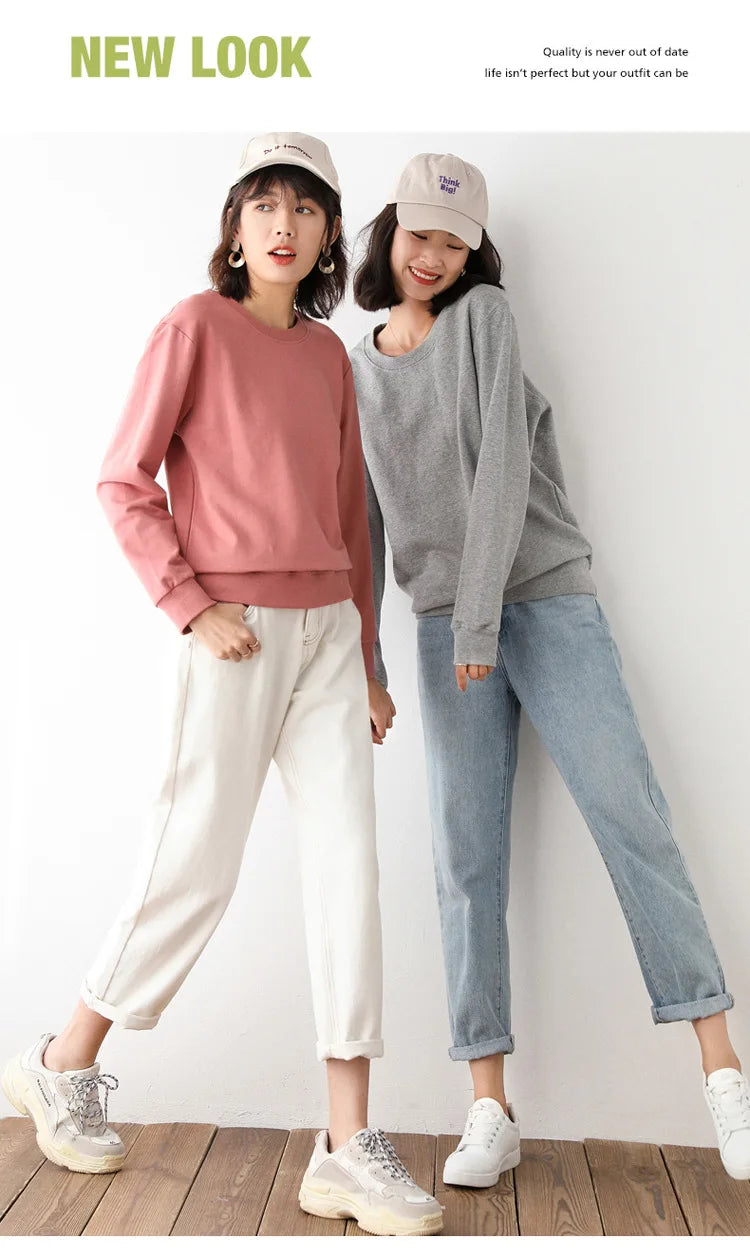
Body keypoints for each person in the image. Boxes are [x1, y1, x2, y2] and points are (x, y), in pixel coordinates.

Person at [1, 133, 443, 1238]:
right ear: (236, 228)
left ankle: (346, 1146)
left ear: (332, 233)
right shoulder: (193, 328)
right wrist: (193, 603)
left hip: (330, 642)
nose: (284, 225)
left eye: (305, 208)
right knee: (194, 861)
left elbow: (350, 518)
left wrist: (371, 658)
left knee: (350, 873)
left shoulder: (327, 358)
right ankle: (64, 1058)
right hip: (231, 635)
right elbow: (121, 477)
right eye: (263, 205)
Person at [349, 151, 750, 1187]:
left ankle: (723, 1075)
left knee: (632, 818)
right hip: (444, 627)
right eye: (417, 234)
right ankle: (489, 1105)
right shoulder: (359, 364)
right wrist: (371, 657)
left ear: (475, 248)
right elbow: (367, 521)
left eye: (452, 238)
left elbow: (501, 476)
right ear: (388, 237)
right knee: (463, 859)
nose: (431, 254)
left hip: (544, 602)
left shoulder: (487, 320)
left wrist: (480, 627)